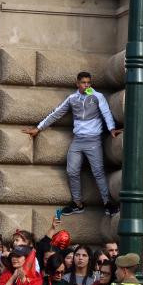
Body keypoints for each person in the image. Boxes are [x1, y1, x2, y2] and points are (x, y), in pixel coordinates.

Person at [22, 71, 122, 217]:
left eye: (88, 82)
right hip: (78, 140)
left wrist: (111, 129)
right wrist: (38, 128)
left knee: (98, 172)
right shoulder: (72, 98)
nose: (86, 85)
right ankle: (77, 203)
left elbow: (106, 112)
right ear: (77, 83)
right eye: (83, 82)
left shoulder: (97, 96)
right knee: (72, 171)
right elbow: (57, 113)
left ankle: (108, 203)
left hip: (93, 140)